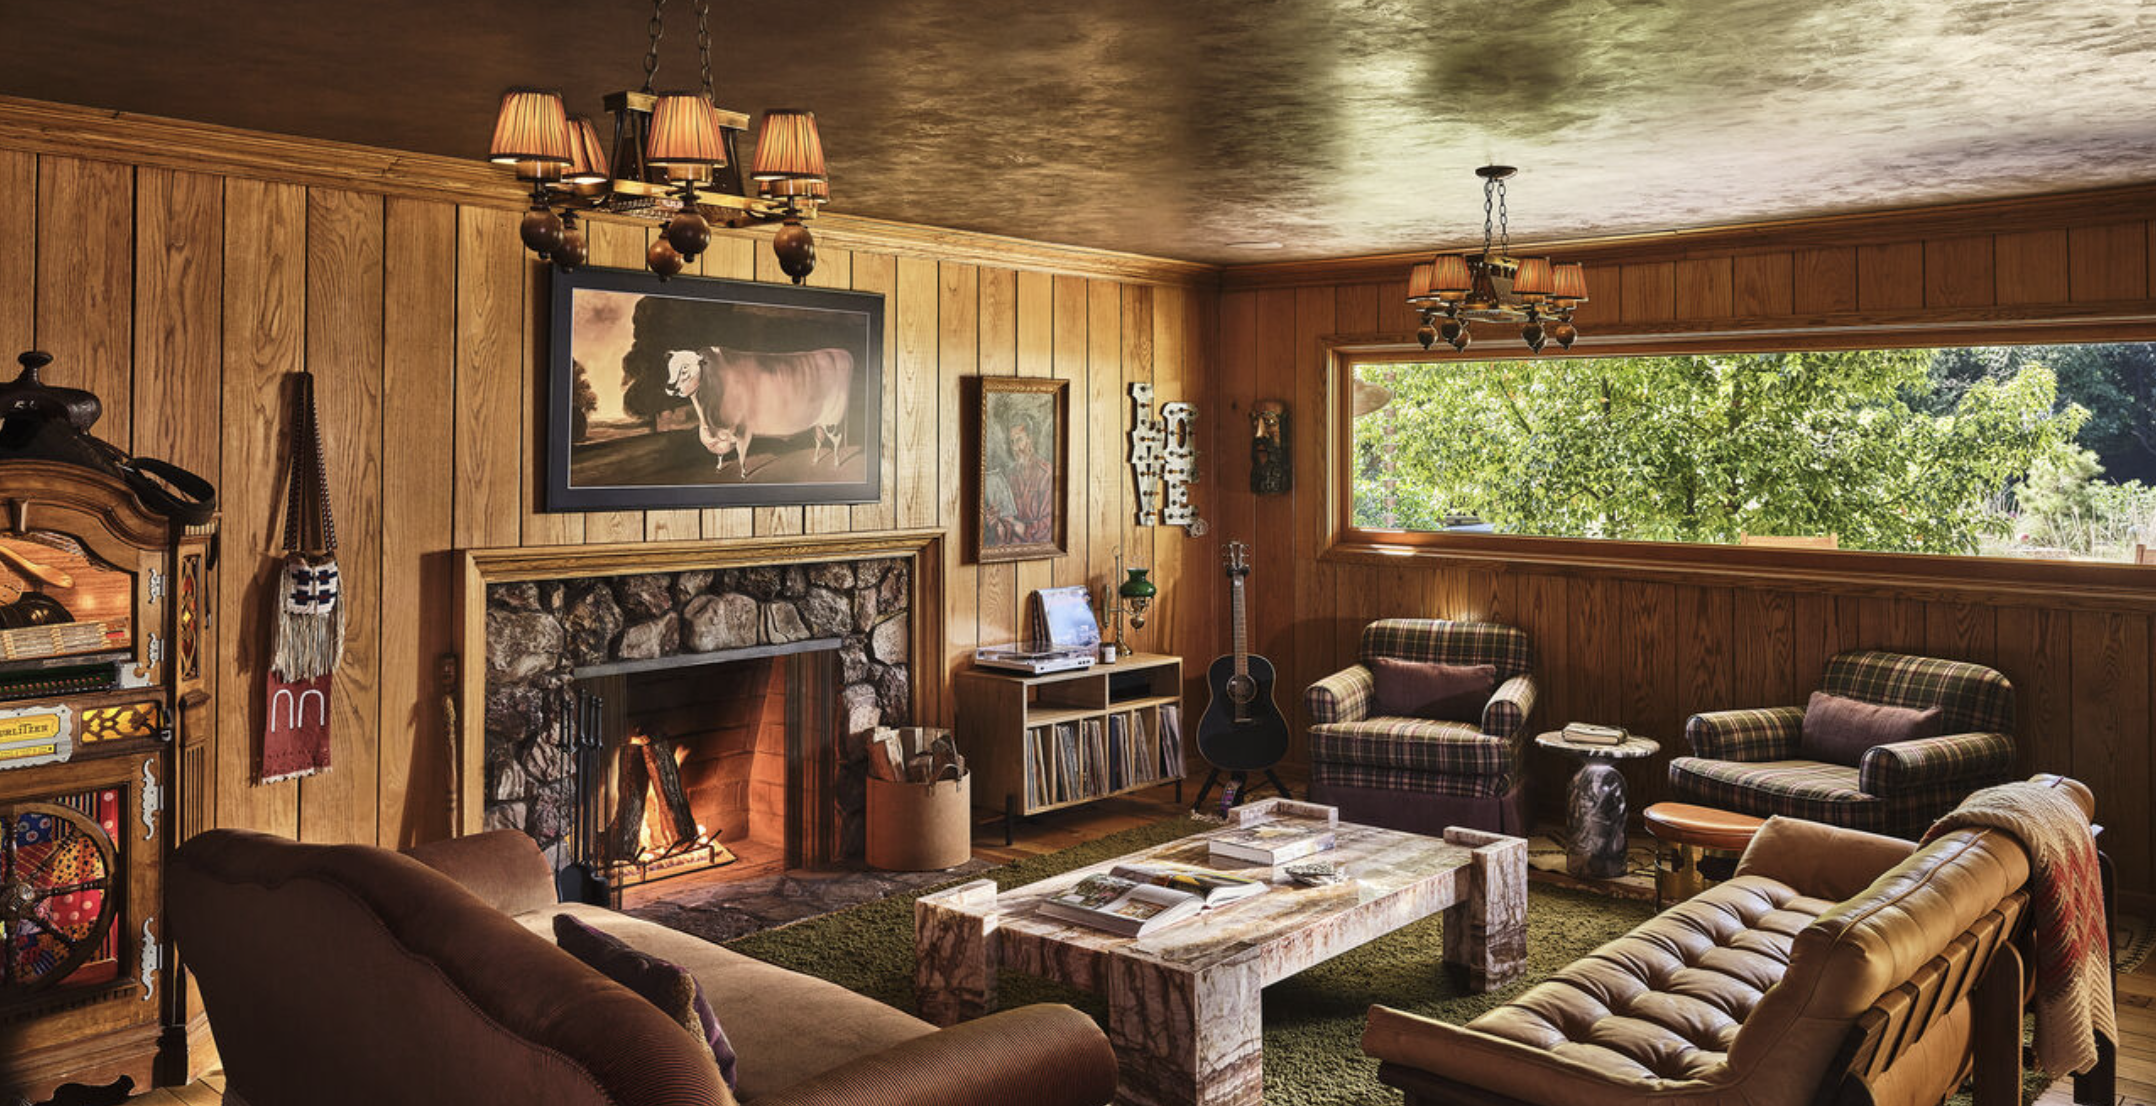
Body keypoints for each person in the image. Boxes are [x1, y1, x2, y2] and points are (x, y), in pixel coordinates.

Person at [987, 412, 1055, 545]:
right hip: (1012, 550)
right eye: (1012, 442)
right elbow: (1006, 527)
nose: (1015, 448)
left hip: (1039, 551)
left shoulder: (1046, 473)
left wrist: (1018, 526)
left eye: (1019, 440)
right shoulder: (1009, 476)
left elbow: (1049, 525)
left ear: (1030, 439)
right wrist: (997, 523)